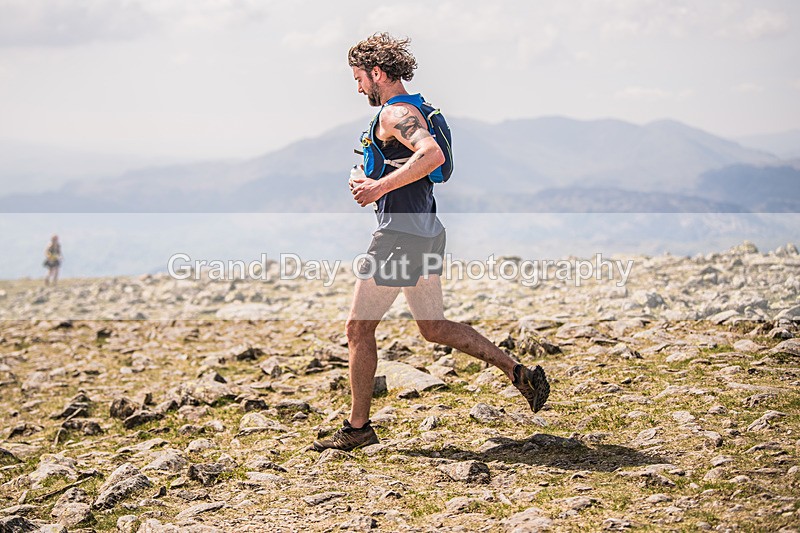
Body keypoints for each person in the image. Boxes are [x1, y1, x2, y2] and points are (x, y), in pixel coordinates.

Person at [312, 33, 550, 452]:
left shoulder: (395, 113)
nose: (358, 88)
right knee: (433, 327)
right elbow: (417, 162)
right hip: (426, 231)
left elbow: (432, 155)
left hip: (399, 237)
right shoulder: (421, 107)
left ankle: (357, 429)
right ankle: (518, 373)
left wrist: (374, 189)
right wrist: (372, 182)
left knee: (357, 329)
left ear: (378, 73)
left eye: (359, 79)